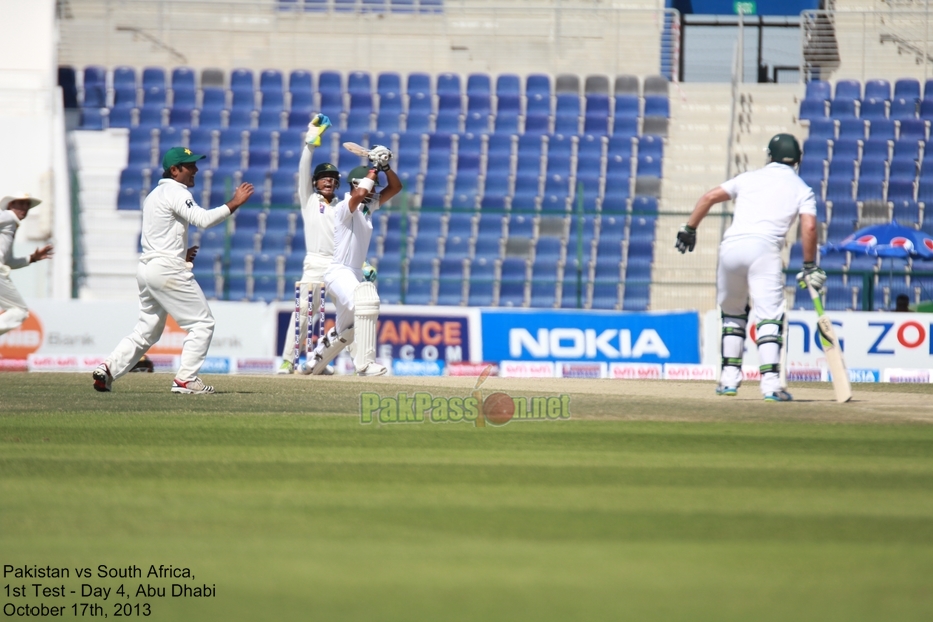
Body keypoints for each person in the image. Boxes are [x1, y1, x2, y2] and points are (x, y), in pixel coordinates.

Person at [675, 133, 826, 401]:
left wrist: (689, 229)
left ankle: (728, 381)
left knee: (732, 314)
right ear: (798, 159)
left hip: (730, 248)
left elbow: (709, 197)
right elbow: (810, 226)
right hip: (764, 250)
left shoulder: (748, 178)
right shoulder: (803, 189)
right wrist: (809, 264)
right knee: (768, 316)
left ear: (770, 155)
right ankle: (770, 386)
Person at [93, 147, 254, 394]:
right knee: (202, 323)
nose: (196, 170)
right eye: (189, 166)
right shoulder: (176, 191)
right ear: (175, 170)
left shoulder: (154, 195)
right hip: (167, 269)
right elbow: (203, 219)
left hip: (147, 269)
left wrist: (181, 252)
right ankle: (185, 379)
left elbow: (158, 235)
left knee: (147, 330)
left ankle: (107, 369)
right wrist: (235, 202)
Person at [302, 148, 401, 376]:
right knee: (366, 304)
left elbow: (396, 188)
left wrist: (385, 168)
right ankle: (365, 365)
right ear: (357, 184)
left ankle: (314, 364)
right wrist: (374, 168)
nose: (375, 190)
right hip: (339, 272)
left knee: (347, 328)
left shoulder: (367, 208)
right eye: (371, 185)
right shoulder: (344, 206)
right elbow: (358, 196)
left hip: (353, 273)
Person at [277, 113, 339, 374]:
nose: (328, 180)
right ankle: (289, 360)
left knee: (357, 312)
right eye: (323, 177)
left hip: (339, 266)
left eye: (333, 178)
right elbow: (304, 167)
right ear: (315, 183)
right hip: (314, 264)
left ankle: (320, 361)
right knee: (302, 312)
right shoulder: (309, 200)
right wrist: (311, 140)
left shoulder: (343, 206)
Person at [0, 193, 53, 336]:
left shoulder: (10, 225)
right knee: (19, 311)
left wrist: (32, 258)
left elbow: (8, 261)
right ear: (11, 204)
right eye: (21, 204)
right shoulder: (7, 216)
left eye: (27, 205)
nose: (25, 208)